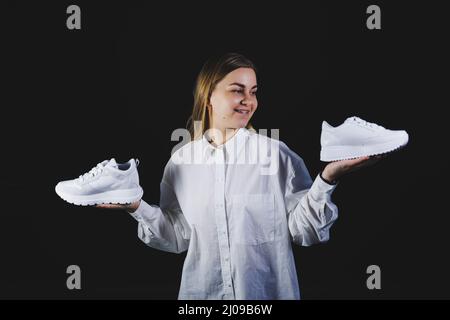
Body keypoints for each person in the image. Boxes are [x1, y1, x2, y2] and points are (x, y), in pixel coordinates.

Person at [98, 53, 382, 299]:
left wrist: (328, 178)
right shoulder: (181, 162)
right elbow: (177, 237)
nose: (249, 101)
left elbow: (305, 232)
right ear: (208, 94)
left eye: (254, 91)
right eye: (237, 90)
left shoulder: (277, 156)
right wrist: (137, 207)